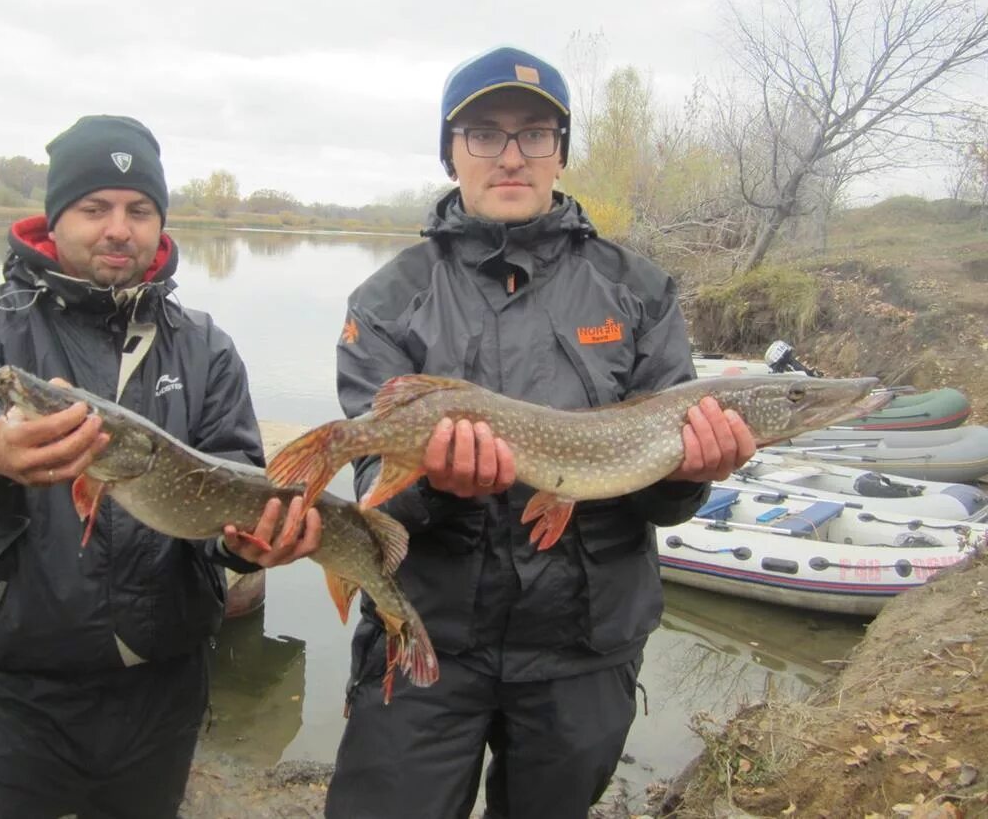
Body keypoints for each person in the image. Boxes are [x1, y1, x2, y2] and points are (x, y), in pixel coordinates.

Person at [324, 47, 757, 819]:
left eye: (535, 134)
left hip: (583, 651)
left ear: (561, 150)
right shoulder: (389, 297)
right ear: (451, 151)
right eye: (485, 134)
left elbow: (662, 502)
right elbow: (371, 503)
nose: (512, 155)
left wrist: (692, 473)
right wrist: (432, 486)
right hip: (427, 632)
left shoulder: (639, 290)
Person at [0, 115, 320, 819]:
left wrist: (244, 545)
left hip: (163, 690)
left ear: (159, 224)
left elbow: (231, 480)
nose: (119, 228)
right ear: (56, 219)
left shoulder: (204, 348)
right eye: (95, 207)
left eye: (138, 210)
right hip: (13, 693)